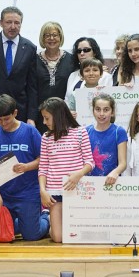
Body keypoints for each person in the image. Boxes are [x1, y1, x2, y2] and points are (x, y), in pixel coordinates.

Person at [0, 94, 48, 240]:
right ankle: (23, 221)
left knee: (32, 236)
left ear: (15, 113)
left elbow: (44, 159)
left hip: (27, 193)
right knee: (3, 235)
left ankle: (45, 218)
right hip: (5, 194)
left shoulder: (30, 131)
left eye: (6, 119)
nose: (3, 123)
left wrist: (27, 166)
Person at [38, 98, 93, 243]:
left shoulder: (80, 132)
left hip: (76, 190)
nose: (44, 122)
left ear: (58, 116)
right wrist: (43, 190)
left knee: (78, 236)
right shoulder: (46, 138)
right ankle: (50, 219)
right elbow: (43, 167)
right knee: (58, 238)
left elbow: (89, 162)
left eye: (47, 118)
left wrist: (78, 174)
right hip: (54, 192)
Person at [0, 7, 39, 127]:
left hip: (19, 111)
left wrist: (31, 117)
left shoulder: (30, 47)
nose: (13, 26)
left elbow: (32, 86)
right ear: (1, 23)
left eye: (17, 23)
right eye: (9, 22)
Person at [85, 94, 127, 184]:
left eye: (106, 110)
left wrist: (115, 173)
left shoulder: (119, 131)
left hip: (112, 183)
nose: (101, 114)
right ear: (93, 111)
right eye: (98, 109)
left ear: (112, 112)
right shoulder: (86, 131)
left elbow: (123, 163)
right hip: (90, 184)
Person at [36, 21, 74, 105]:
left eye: (55, 35)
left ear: (60, 37)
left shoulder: (71, 60)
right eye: (47, 35)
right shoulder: (34, 60)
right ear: (42, 38)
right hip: (40, 110)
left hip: (64, 111)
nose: (51, 38)